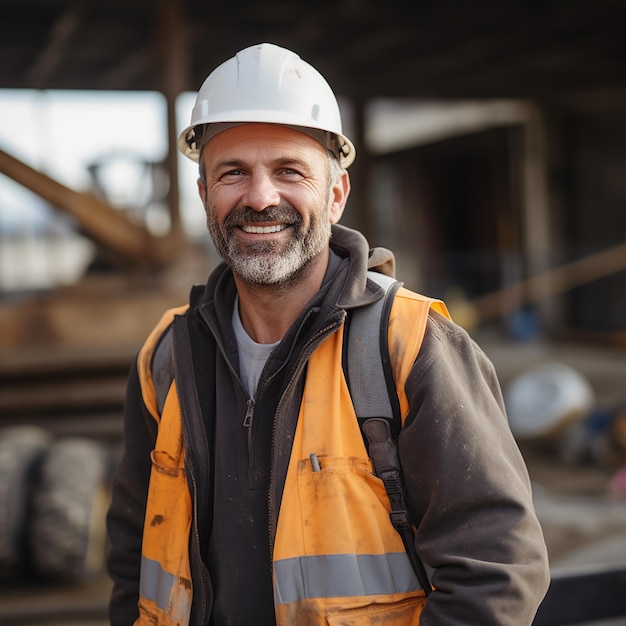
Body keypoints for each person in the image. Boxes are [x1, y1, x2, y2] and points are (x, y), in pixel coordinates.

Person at [106, 42, 550, 625]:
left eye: (289, 171)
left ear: (336, 194)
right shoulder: (166, 357)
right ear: (203, 195)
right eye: (232, 173)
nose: (260, 197)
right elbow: (128, 564)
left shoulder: (409, 344)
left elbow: (496, 570)